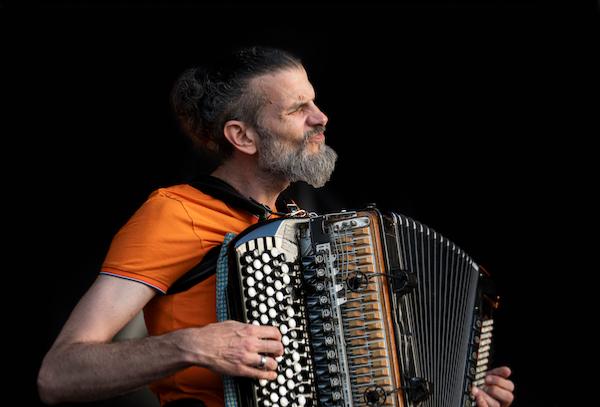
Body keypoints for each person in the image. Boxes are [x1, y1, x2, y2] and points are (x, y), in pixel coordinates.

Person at [37, 46, 514, 407]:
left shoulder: (305, 232)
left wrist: (457, 390)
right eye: (295, 110)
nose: (321, 118)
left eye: (314, 102)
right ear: (241, 136)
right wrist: (189, 345)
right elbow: (58, 374)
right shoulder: (175, 212)